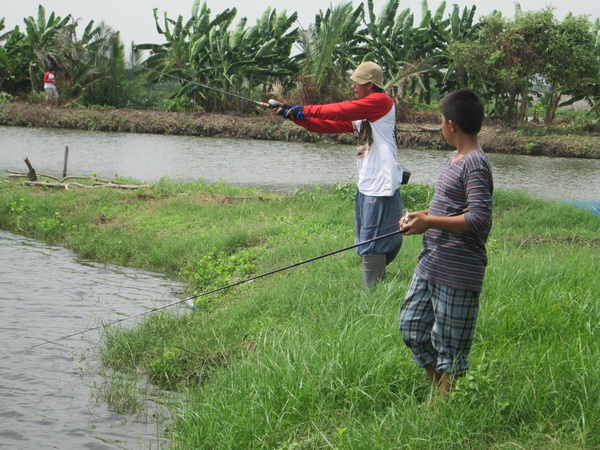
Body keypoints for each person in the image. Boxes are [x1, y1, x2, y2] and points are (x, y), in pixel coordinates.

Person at [277, 61, 405, 288]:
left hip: (380, 183)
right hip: (368, 183)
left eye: (357, 81)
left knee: (375, 239)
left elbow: (338, 109)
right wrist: (293, 116)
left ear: (368, 83)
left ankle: (372, 292)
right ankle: (376, 284)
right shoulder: (364, 114)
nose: (353, 85)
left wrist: (304, 108)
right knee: (373, 237)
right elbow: (326, 124)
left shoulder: (381, 102)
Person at [398, 89, 493, 395]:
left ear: (451, 124)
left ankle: (443, 406)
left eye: (440, 121)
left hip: (458, 268)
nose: (440, 127)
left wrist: (430, 222)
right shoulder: (454, 158)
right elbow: (449, 209)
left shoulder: (475, 164)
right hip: (432, 263)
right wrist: (421, 216)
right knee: (411, 325)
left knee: (449, 346)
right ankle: (441, 392)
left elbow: (479, 219)